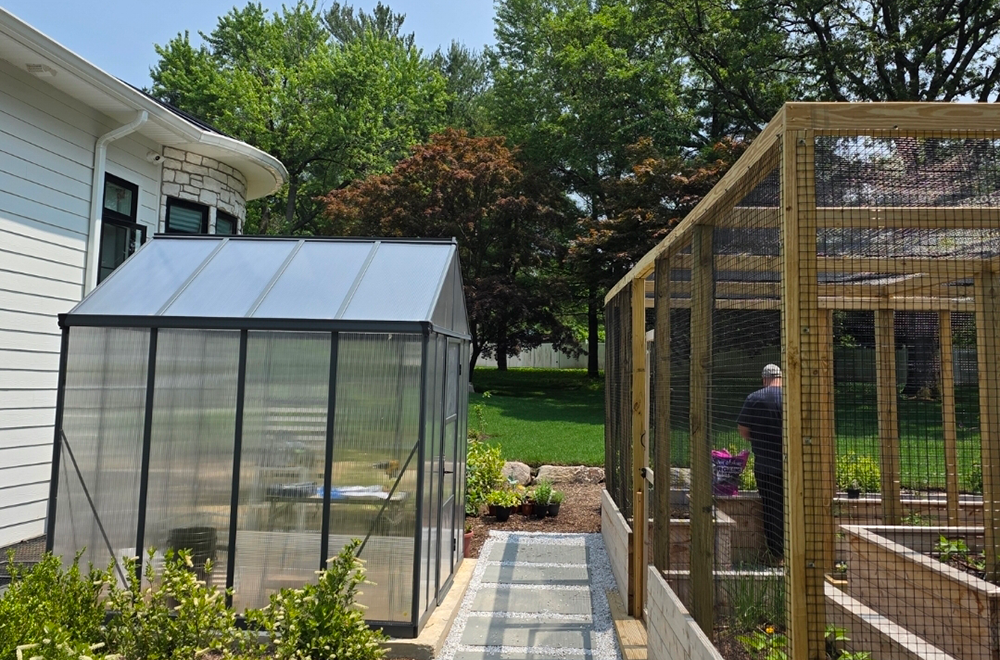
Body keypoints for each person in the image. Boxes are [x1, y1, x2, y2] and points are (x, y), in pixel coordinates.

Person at [737, 363, 784, 563]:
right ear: (781, 378)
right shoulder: (791, 397)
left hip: (765, 465)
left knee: (771, 508)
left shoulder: (754, 398)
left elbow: (743, 430)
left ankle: (777, 555)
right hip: (790, 466)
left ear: (764, 379)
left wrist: (758, 438)